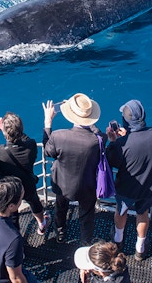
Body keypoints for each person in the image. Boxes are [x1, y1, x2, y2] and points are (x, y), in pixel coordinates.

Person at [42, 93, 105, 245]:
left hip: (62, 185)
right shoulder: (99, 139)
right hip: (88, 187)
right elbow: (98, 134)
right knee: (87, 216)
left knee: (60, 209)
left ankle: (61, 234)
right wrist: (90, 122)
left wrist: (47, 122)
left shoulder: (58, 136)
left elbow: (47, 151)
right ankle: (85, 243)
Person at [106, 99, 152, 260]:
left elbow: (111, 161)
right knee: (143, 212)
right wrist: (129, 136)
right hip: (149, 187)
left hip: (126, 188)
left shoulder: (121, 143)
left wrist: (113, 141)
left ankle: (118, 240)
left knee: (121, 211)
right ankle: (140, 248)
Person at [0, 112, 50, 235]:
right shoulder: (31, 145)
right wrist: (16, 129)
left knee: (12, 214)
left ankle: (16, 239)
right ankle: (42, 224)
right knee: (35, 202)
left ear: (4, 133)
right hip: (27, 184)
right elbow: (26, 139)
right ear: (21, 130)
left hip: (9, 188)